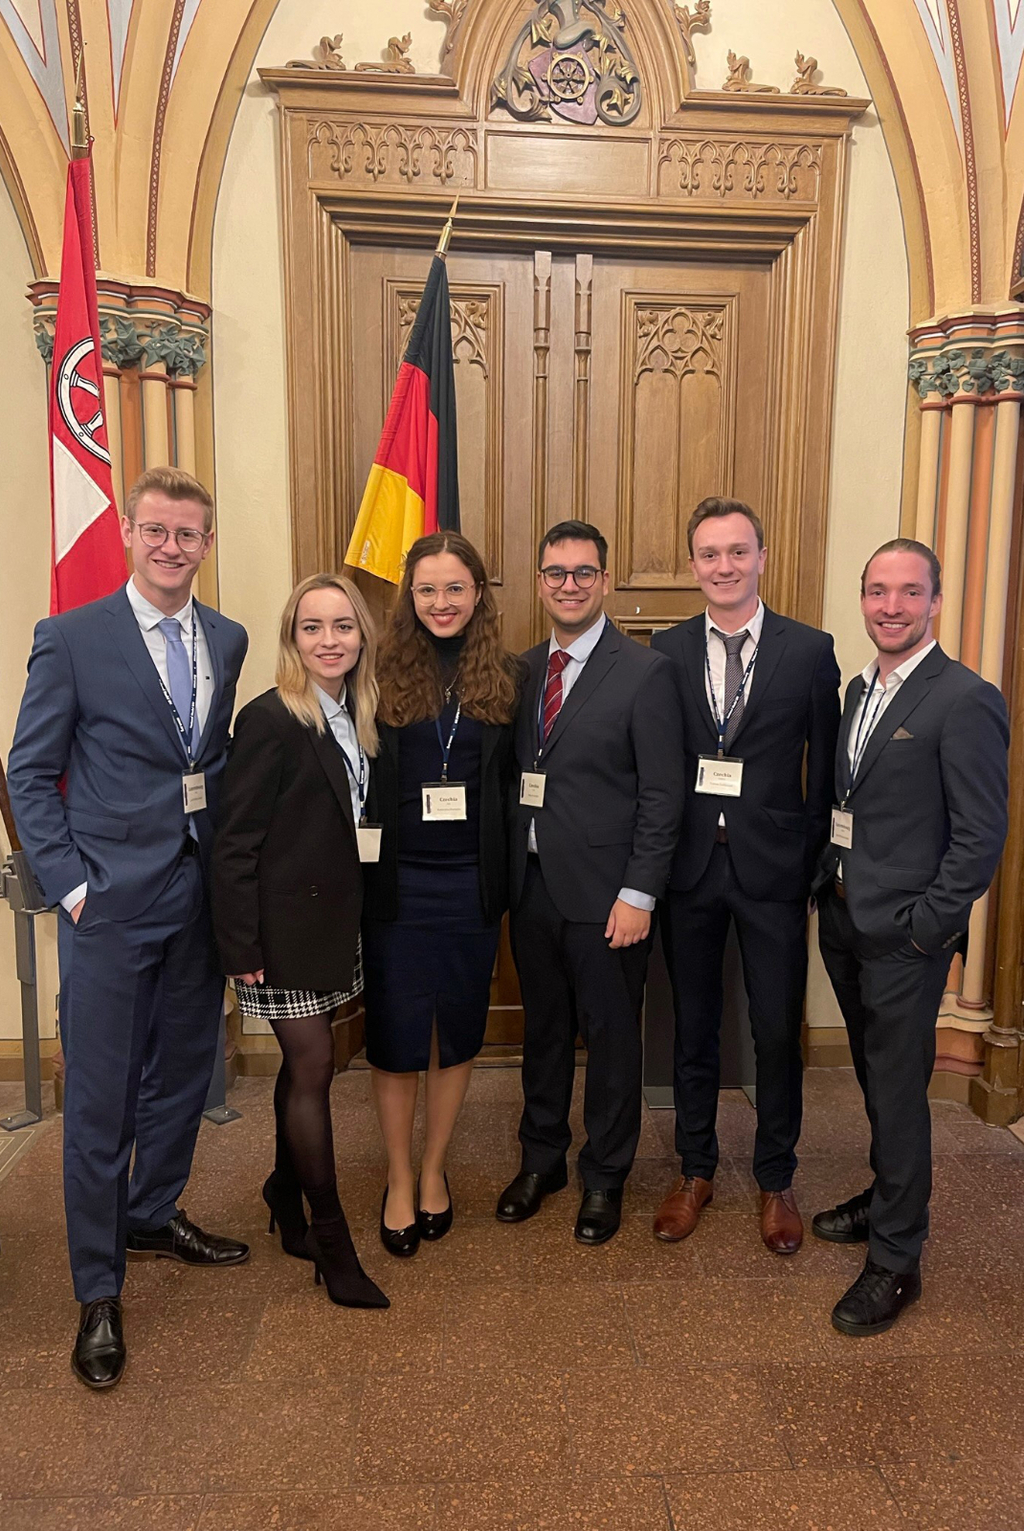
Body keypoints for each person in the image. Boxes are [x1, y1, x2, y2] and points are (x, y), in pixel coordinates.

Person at [7, 467, 249, 1391]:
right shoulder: (71, 638)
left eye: (188, 533)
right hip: (107, 906)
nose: (171, 547)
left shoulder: (225, 637)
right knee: (101, 1102)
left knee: (186, 1074)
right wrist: (72, 888)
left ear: (206, 542)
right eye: (155, 530)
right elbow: (30, 774)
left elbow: (207, 763)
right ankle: (98, 1289)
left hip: (195, 900)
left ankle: (153, 1212)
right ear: (129, 535)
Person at [812, 537, 1008, 1335]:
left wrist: (927, 930)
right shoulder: (860, 688)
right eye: (877, 591)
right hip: (844, 918)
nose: (890, 606)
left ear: (935, 601)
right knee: (877, 1079)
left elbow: (980, 837)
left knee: (897, 1090)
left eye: (908, 591)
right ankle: (888, 1194)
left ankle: (896, 1258)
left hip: (904, 939)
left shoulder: (964, 698)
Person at [650, 498, 841, 1254]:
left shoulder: (809, 650)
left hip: (774, 869)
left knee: (775, 1029)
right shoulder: (665, 650)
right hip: (691, 867)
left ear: (762, 557)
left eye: (737, 551)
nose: (723, 566)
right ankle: (695, 1169)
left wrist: (814, 863)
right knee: (693, 1025)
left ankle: (775, 1177)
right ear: (692, 564)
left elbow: (824, 769)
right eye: (709, 554)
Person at [497, 520, 685, 1245]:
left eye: (583, 572)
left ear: (604, 580)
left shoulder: (644, 672)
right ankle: (541, 1160)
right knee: (542, 1033)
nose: (568, 585)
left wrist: (639, 893)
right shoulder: (520, 672)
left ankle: (605, 1174)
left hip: (610, 897)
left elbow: (662, 794)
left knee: (609, 1040)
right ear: (540, 581)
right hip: (533, 886)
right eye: (556, 572)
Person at [211, 573, 388, 1310]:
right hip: (278, 930)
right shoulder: (270, 718)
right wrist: (240, 947)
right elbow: (234, 843)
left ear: (361, 636)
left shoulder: (359, 714)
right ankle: (332, 1241)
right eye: (312, 627)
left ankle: (284, 1193)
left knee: (306, 1066)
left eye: (342, 626)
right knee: (314, 1065)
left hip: (334, 923)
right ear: (292, 638)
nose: (329, 640)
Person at [362, 532, 520, 1256]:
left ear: (478, 593)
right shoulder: (377, 670)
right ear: (410, 595)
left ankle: (434, 1168)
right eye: (426, 589)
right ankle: (398, 1175)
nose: (441, 602)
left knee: (455, 1030)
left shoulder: (508, 677)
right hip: (395, 885)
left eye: (455, 588)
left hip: (470, 885)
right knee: (397, 1034)